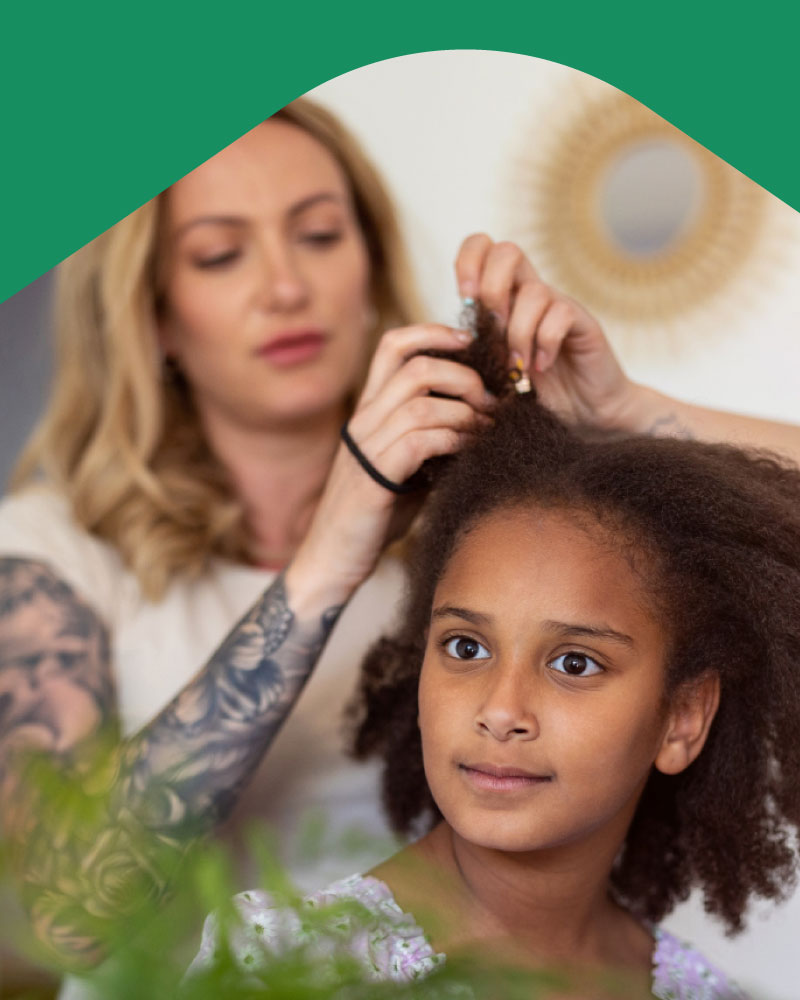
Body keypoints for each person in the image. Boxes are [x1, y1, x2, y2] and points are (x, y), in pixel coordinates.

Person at [2, 93, 800, 985]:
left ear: (370, 263)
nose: (286, 286)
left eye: (318, 234)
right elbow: (61, 914)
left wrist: (632, 414)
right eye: (222, 253)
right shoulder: (51, 555)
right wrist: (328, 556)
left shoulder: (482, 525)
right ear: (152, 315)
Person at [191, 324, 800, 998]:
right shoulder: (287, 973)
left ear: (683, 718)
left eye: (574, 663)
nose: (501, 710)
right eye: (465, 648)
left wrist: (636, 409)